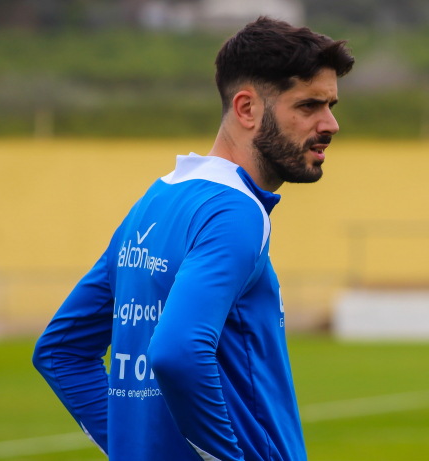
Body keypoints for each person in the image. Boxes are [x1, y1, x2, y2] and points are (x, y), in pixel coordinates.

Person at [32, 17, 354, 461]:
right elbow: (177, 352)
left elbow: (61, 351)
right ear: (246, 109)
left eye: (331, 105)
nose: (330, 124)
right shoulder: (235, 213)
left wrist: (137, 450)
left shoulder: (157, 200)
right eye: (308, 106)